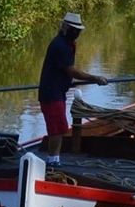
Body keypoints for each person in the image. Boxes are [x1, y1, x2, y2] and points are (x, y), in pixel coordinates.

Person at [38, 12, 108, 164]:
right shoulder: (59, 45)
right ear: (64, 27)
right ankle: (53, 160)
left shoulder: (69, 43)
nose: (76, 33)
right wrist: (95, 78)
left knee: (61, 126)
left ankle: (55, 157)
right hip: (51, 93)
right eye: (73, 29)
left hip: (59, 92)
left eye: (78, 31)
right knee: (56, 128)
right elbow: (70, 70)